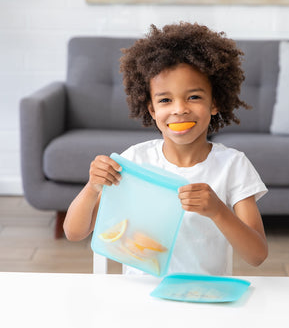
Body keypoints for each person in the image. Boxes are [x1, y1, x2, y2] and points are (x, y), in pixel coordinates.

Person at [64, 22, 268, 275]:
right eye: (165, 100)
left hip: (201, 298)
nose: (179, 109)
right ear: (152, 109)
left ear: (215, 103)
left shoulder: (233, 165)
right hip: (139, 300)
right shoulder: (135, 161)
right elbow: (74, 232)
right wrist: (92, 187)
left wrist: (219, 212)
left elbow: (257, 255)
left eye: (193, 97)